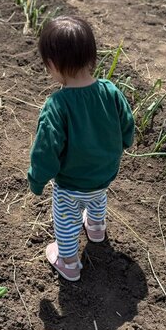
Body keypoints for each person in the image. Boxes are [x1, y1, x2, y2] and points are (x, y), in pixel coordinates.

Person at [27, 16, 135, 282]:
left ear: (52, 65)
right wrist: (122, 143)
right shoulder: (110, 91)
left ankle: (68, 262)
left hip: (70, 184)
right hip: (104, 173)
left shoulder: (57, 106)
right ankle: (96, 228)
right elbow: (127, 123)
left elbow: (46, 150)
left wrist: (37, 180)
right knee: (97, 198)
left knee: (66, 219)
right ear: (91, 56)